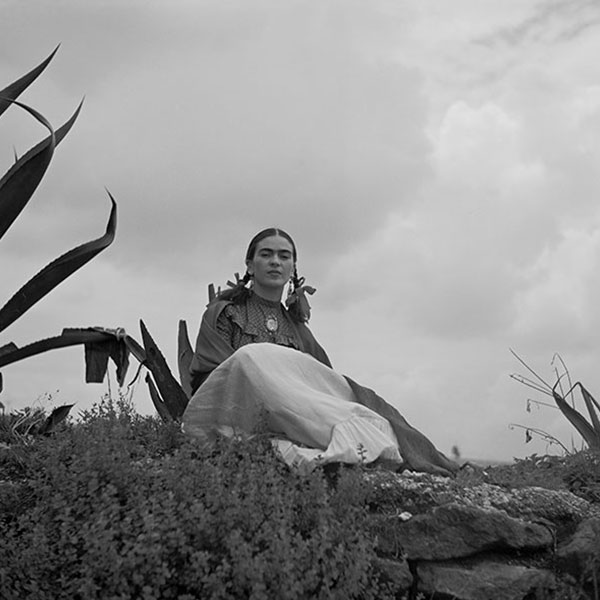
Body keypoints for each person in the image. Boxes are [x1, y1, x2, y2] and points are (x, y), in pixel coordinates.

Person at [183, 228, 457, 476]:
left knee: (370, 418)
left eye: (284, 256)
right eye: (266, 255)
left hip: (291, 415)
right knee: (249, 358)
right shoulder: (225, 314)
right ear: (250, 265)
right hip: (237, 411)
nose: (275, 261)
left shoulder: (298, 329)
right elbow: (213, 378)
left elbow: (319, 386)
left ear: (292, 267)